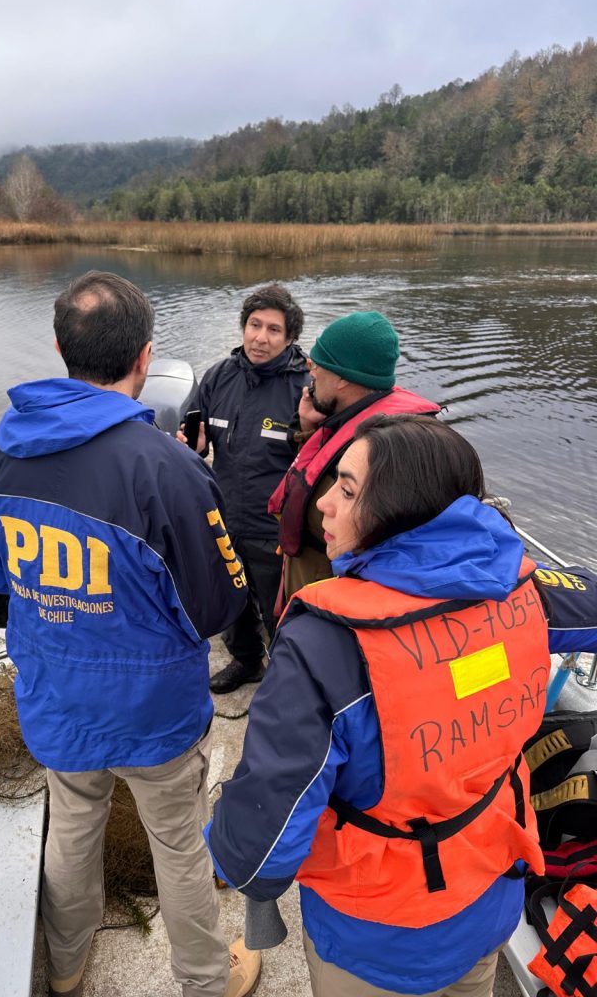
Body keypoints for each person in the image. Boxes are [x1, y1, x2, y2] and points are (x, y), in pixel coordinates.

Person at [206, 414, 597, 997]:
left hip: (378, 936)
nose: (323, 509)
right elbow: (587, 598)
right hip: (492, 896)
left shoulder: (324, 643)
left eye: (346, 490)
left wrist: (227, 854)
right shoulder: (524, 593)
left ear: (396, 510)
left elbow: (263, 845)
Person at [0, 271, 261, 997]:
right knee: (180, 844)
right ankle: (203, 977)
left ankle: (66, 967)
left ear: (65, 349)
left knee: (72, 828)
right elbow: (218, 605)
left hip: (56, 702)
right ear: (144, 358)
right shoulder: (167, 467)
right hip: (153, 712)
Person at [180, 284, 309, 694]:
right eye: (255, 325)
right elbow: (198, 441)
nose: (261, 337)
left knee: (280, 609)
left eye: (274, 329)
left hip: (274, 525)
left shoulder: (305, 387)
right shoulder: (219, 377)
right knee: (230, 599)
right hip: (222, 517)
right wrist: (195, 446)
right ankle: (248, 661)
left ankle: (288, 677)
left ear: (290, 339)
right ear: (243, 327)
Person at [268, 310, 440, 605]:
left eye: (316, 364)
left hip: (333, 607)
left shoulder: (382, 453)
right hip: (311, 587)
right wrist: (311, 429)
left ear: (342, 380)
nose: (311, 373)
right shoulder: (348, 423)